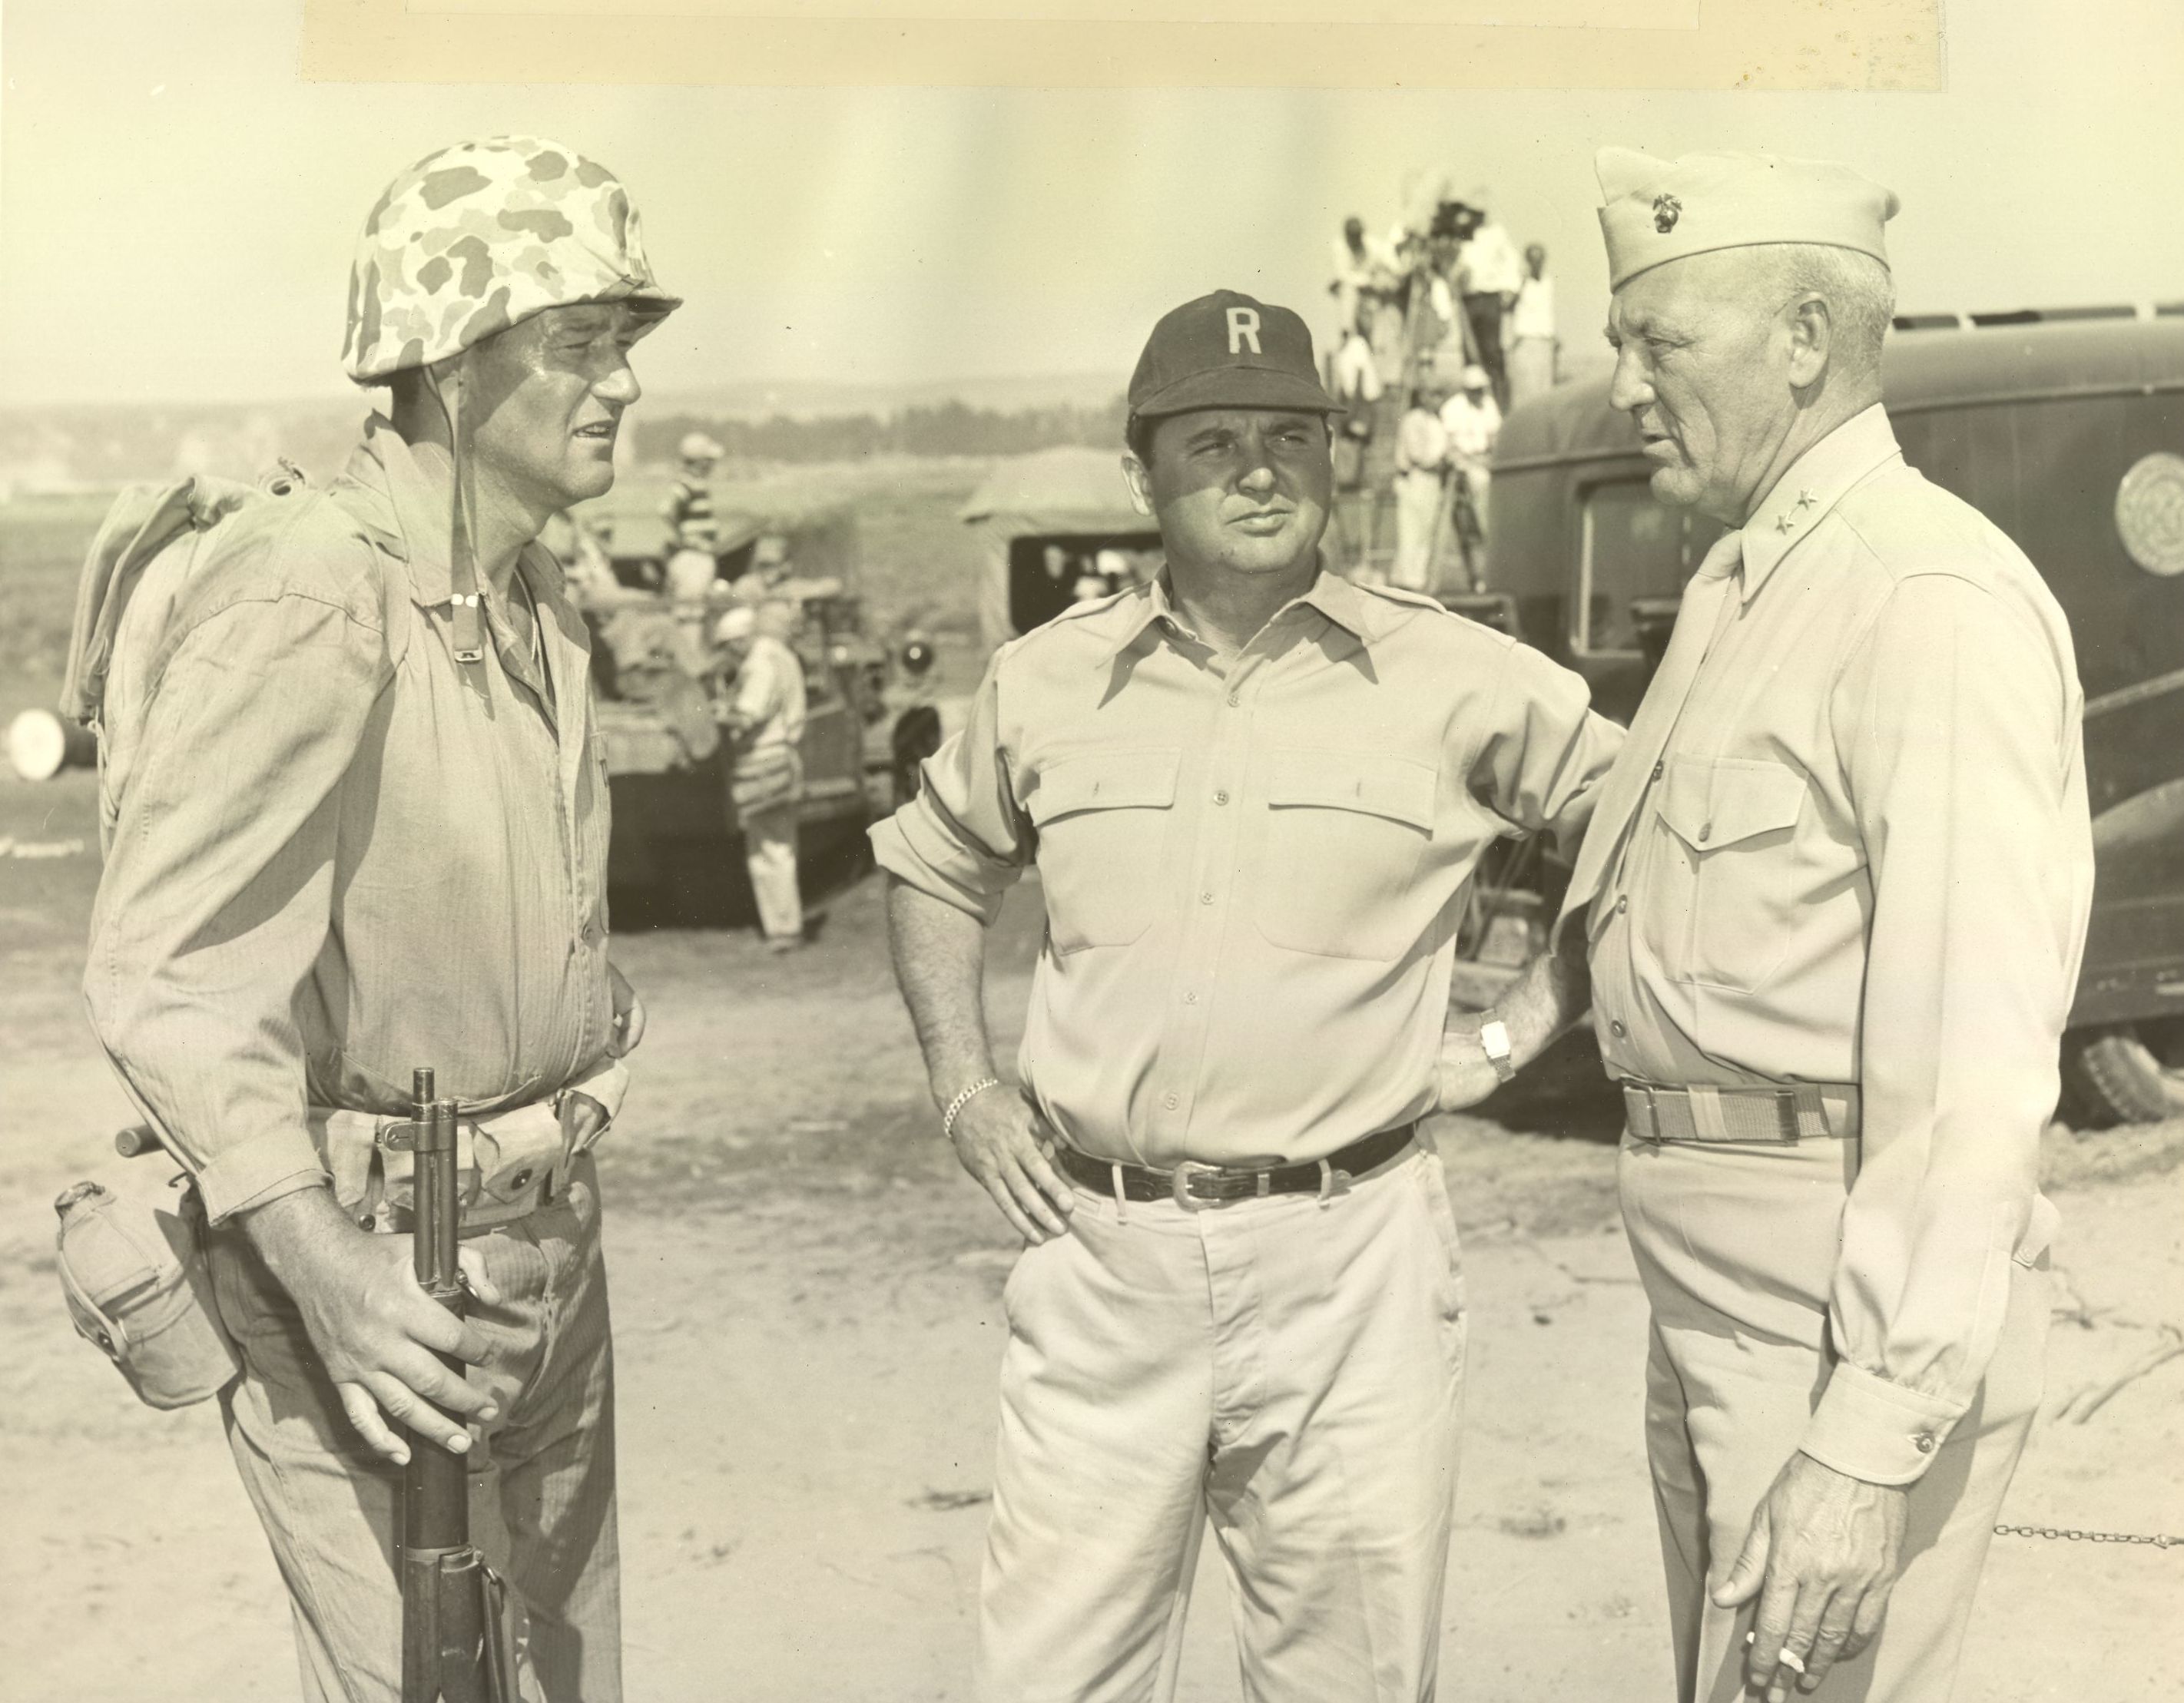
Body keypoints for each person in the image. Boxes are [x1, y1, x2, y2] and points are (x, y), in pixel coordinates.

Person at [870, 287, 1626, 1702]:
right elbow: (931, 862)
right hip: (1103, 1258)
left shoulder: (1455, 676)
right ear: (1141, 472)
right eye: (1211, 440)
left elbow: (1647, 831)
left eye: (1290, 432)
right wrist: (964, 1086)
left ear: (1335, 458)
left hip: (1354, 1261)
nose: (1258, 466)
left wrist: (1521, 1022)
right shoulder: (1046, 682)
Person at [81, 134, 673, 1701]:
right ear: (449, 361)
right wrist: (329, 1270)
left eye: (622, 346)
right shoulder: (308, 594)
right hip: (369, 1273)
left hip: (539, 1257)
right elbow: (170, 977)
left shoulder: (532, 597)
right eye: (576, 343)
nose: (617, 384)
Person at [1553, 147, 2092, 1703]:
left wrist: (1864, 1437)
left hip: (1828, 1306)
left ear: (1799, 336)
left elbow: (1965, 1059)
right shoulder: (1745, 583)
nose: (1620, 390)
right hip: (1716, 1294)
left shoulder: (1916, 598)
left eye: (1655, 342)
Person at [713, 598, 809, 950]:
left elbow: (746, 716)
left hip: (765, 760)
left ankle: (783, 930)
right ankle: (783, 926)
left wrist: (713, 713)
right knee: (777, 844)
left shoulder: (759, 665)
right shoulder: (781, 654)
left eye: (727, 648)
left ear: (739, 640)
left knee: (771, 848)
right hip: (782, 755)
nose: (729, 656)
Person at [1453, 200, 1523, 410]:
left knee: (1492, 351)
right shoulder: (1462, 235)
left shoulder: (1496, 233)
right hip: (1468, 299)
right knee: (1469, 350)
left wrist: (1511, 288)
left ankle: (1500, 402)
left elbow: (1512, 260)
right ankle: (1473, 400)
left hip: (1490, 298)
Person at [1437, 363, 1502, 572]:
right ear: (1465, 390)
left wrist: (1490, 458)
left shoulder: (1488, 404)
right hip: (1463, 463)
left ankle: (1495, 538)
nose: (1479, 394)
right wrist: (1475, 460)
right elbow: (1449, 447)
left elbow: (1494, 436)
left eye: (1481, 389)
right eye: (1475, 390)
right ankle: (1488, 535)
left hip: (1485, 459)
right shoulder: (1452, 408)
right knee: (1480, 483)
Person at [1390, 383, 1450, 590]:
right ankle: (1407, 579)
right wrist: (1440, 461)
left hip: (1432, 480)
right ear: (1423, 397)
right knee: (1411, 529)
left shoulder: (1436, 420)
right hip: (1415, 479)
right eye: (1433, 395)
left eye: (1440, 395)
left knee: (1426, 529)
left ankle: (1420, 576)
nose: (1437, 400)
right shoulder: (1413, 419)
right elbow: (1418, 455)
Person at [664, 429, 724, 600]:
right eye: (709, 460)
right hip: (694, 557)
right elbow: (667, 509)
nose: (712, 465)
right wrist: (687, 538)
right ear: (700, 462)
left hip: (700, 555)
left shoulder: (697, 483)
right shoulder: (687, 482)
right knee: (691, 610)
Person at [1507, 243, 1559, 409]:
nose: (1537, 263)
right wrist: (1521, 283)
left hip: (1545, 341)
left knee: (1545, 390)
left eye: (1540, 260)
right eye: (1533, 260)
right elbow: (1507, 306)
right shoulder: (1518, 281)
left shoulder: (1548, 282)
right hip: (1526, 341)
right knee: (1525, 391)